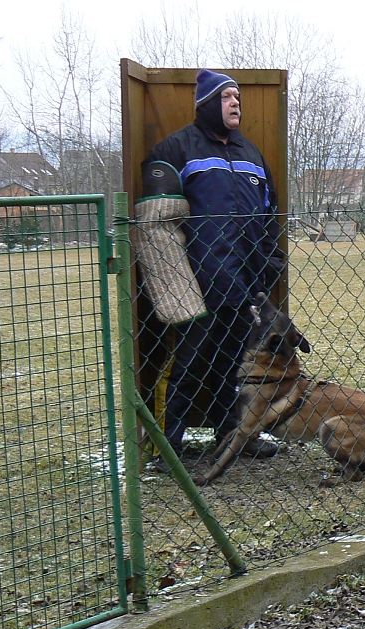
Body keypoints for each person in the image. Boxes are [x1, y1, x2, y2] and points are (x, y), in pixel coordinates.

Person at [140, 68, 284, 469]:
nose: (236, 102)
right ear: (206, 104)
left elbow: (269, 215)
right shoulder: (177, 151)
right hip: (196, 285)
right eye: (226, 97)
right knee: (185, 367)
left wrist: (270, 264)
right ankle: (166, 450)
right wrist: (174, 276)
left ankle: (231, 439)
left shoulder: (252, 156)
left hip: (244, 285)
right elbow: (156, 222)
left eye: (237, 96)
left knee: (232, 367)